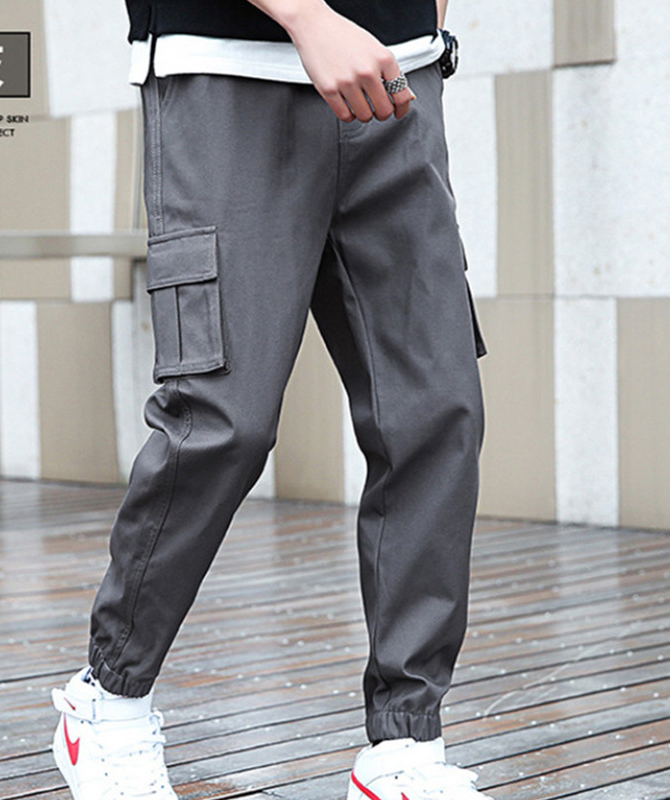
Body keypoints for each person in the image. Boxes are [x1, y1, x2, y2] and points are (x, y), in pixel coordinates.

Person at [51, 1, 489, 798]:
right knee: (224, 420)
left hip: (397, 76)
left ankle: (405, 746)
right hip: (227, 70)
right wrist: (306, 16)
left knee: (435, 413)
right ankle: (107, 700)